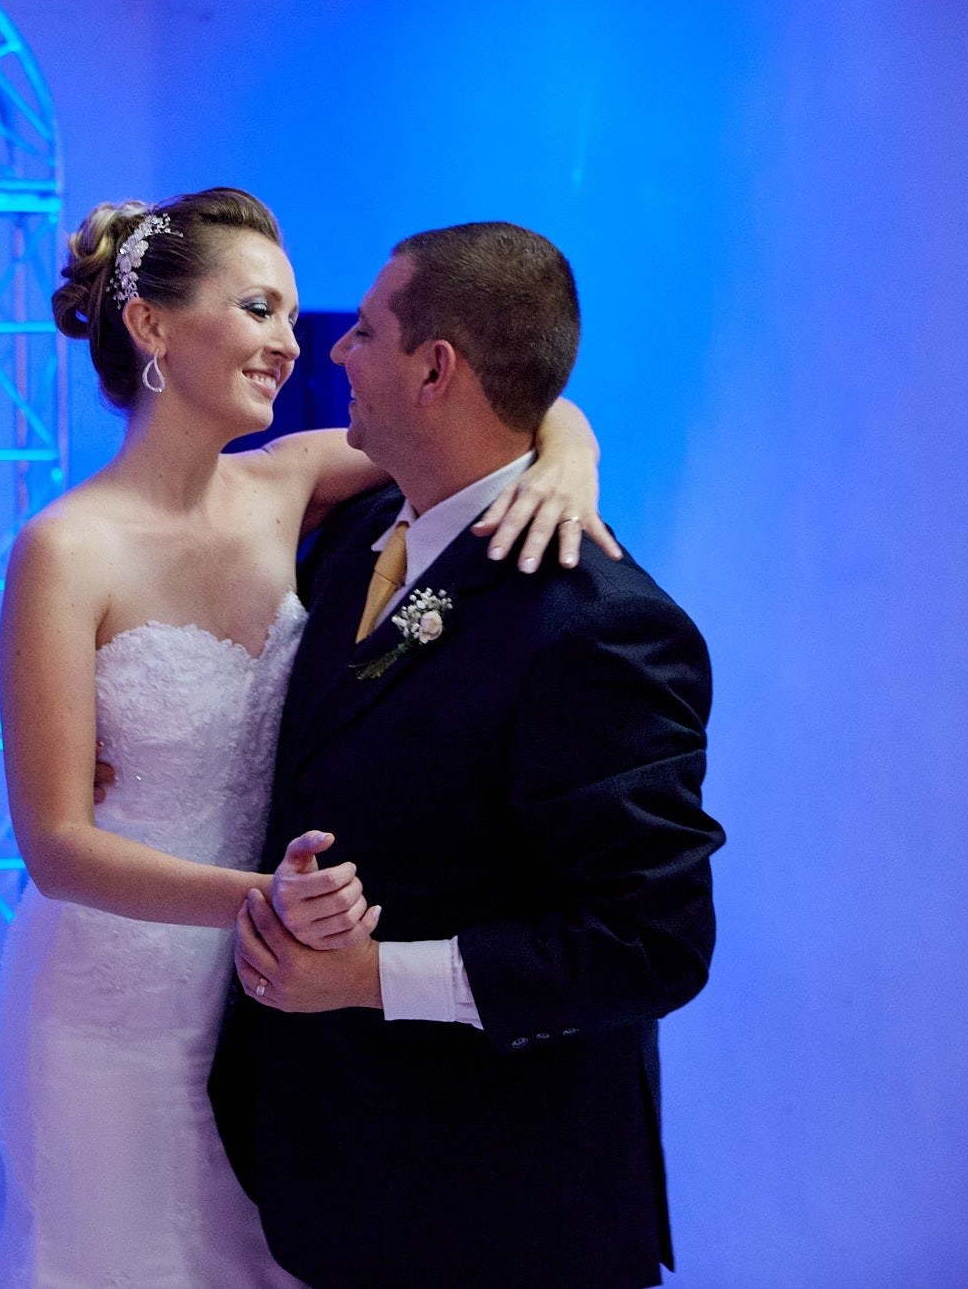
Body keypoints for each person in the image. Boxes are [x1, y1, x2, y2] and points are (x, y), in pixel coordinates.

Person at [0, 191, 615, 1287]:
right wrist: (260, 902)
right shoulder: (61, 549)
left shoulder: (290, 483)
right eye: (259, 308)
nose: (286, 342)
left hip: (271, 998)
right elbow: (55, 846)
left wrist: (569, 453)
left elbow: (491, 406)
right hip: (113, 993)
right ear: (153, 327)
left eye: (292, 314)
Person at [214, 223, 722, 1288]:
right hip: (333, 1174)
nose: (335, 352)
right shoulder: (360, 538)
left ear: (435, 368)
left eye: (363, 331)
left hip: (499, 1206)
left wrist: (365, 979)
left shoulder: (595, 624)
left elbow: (650, 945)